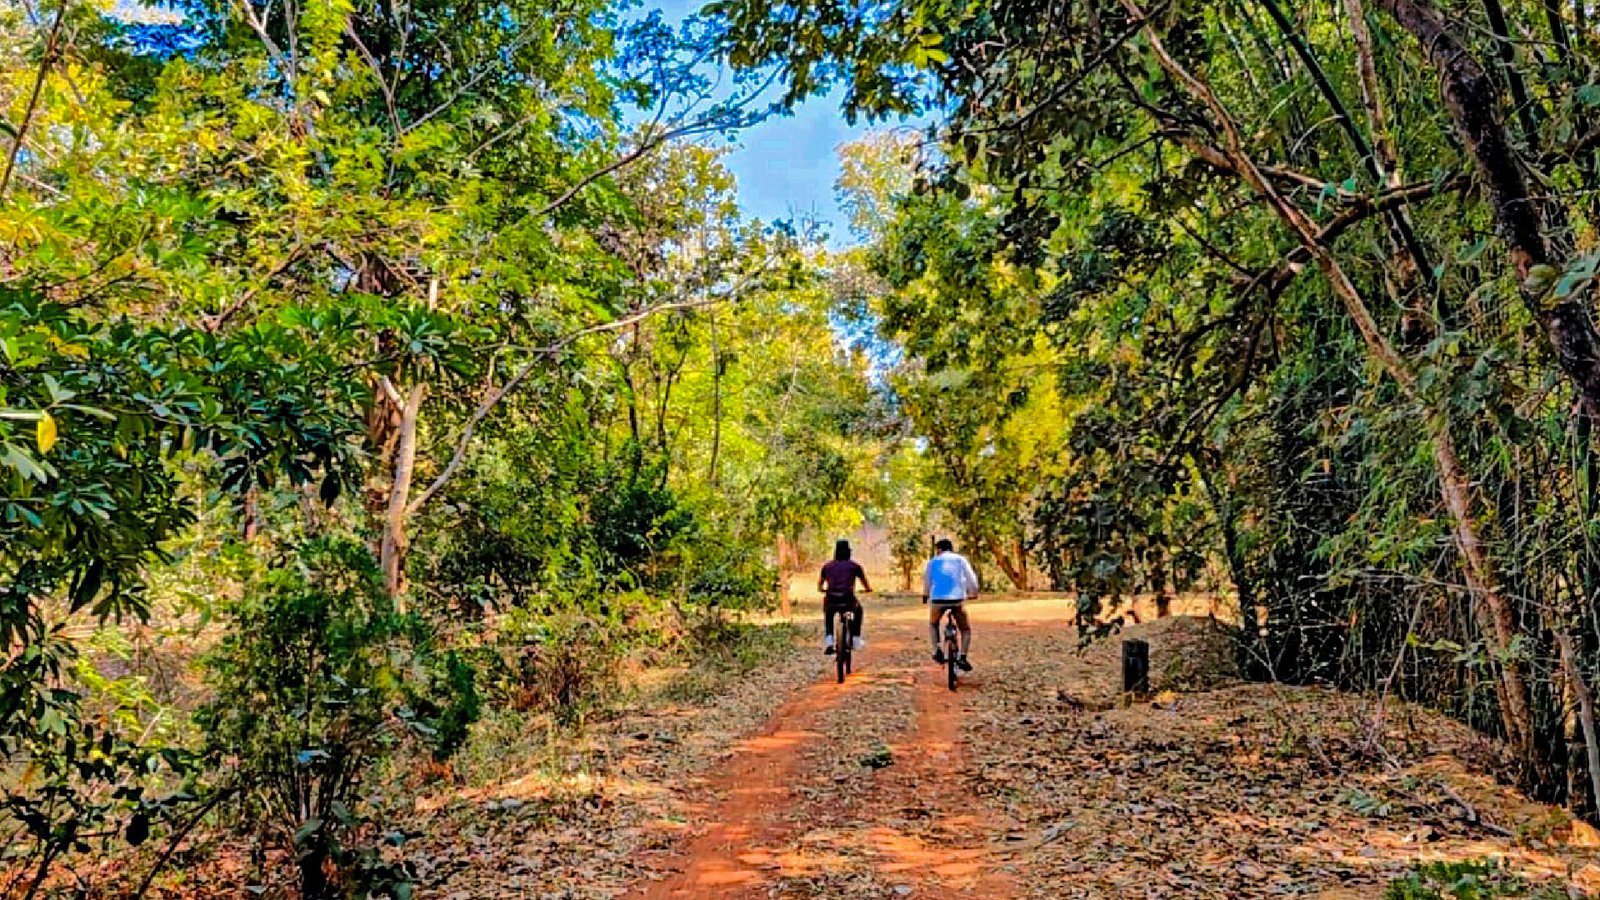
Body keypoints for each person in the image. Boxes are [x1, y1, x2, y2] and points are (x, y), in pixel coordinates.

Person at [923, 538, 978, 671]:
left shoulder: (933, 562)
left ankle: (936, 650)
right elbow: (971, 578)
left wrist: (925, 595)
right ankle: (962, 656)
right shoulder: (960, 560)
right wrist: (974, 593)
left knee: (933, 624)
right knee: (965, 629)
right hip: (957, 600)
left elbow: (927, 581)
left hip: (937, 600)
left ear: (939, 549)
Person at [818, 539, 871, 655]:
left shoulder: (827, 567)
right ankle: (856, 639)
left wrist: (822, 590)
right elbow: (865, 583)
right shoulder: (855, 566)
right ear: (848, 552)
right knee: (859, 610)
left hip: (831, 599)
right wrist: (868, 589)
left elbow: (820, 585)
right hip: (848, 600)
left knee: (828, 615)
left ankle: (829, 642)